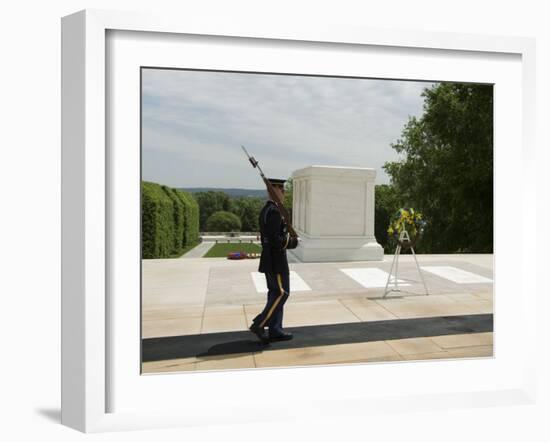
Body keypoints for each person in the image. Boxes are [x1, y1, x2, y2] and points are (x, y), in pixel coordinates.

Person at [249, 178, 299, 343]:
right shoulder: (275, 211)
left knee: (274, 293)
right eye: (281, 190)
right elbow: (276, 239)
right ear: (274, 191)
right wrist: (292, 242)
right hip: (276, 260)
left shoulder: (267, 209)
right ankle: (260, 323)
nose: (284, 193)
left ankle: (275, 329)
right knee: (281, 293)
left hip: (270, 259)